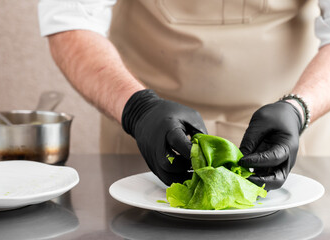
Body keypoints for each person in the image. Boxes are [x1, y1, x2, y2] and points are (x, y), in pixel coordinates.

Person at [38, 0, 330, 190]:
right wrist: (138, 109)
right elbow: (69, 19)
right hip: (149, 139)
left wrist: (298, 109)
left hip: (289, 142)